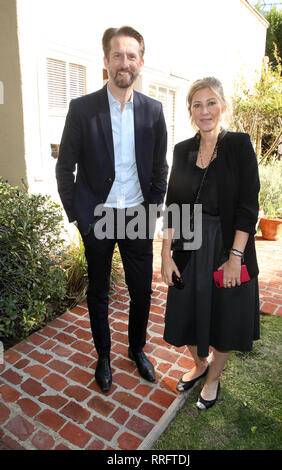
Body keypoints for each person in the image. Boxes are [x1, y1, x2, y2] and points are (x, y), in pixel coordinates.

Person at [56, 26, 168, 393]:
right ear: (105, 61)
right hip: (98, 217)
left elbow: (159, 169)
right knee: (99, 291)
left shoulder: (153, 111)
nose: (124, 62)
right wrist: (79, 216)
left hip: (136, 215)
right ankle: (103, 356)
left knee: (141, 291)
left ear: (140, 62)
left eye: (131, 56)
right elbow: (65, 166)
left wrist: (151, 211)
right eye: (117, 55)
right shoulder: (82, 109)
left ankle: (136, 350)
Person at [161, 77, 260, 410]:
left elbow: (248, 206)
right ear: (190, 111)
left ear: (223, 105)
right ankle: (199, 364)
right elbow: (173, 204)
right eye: (197, 104)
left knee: (226, 317)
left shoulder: (239, 146)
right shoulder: (182, 150)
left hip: (228, 245)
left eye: (211, 102)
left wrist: (235, 258)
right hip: (189, 246)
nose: (205, 111)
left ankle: (213, 377)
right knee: (183, 312)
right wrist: (165, 254)